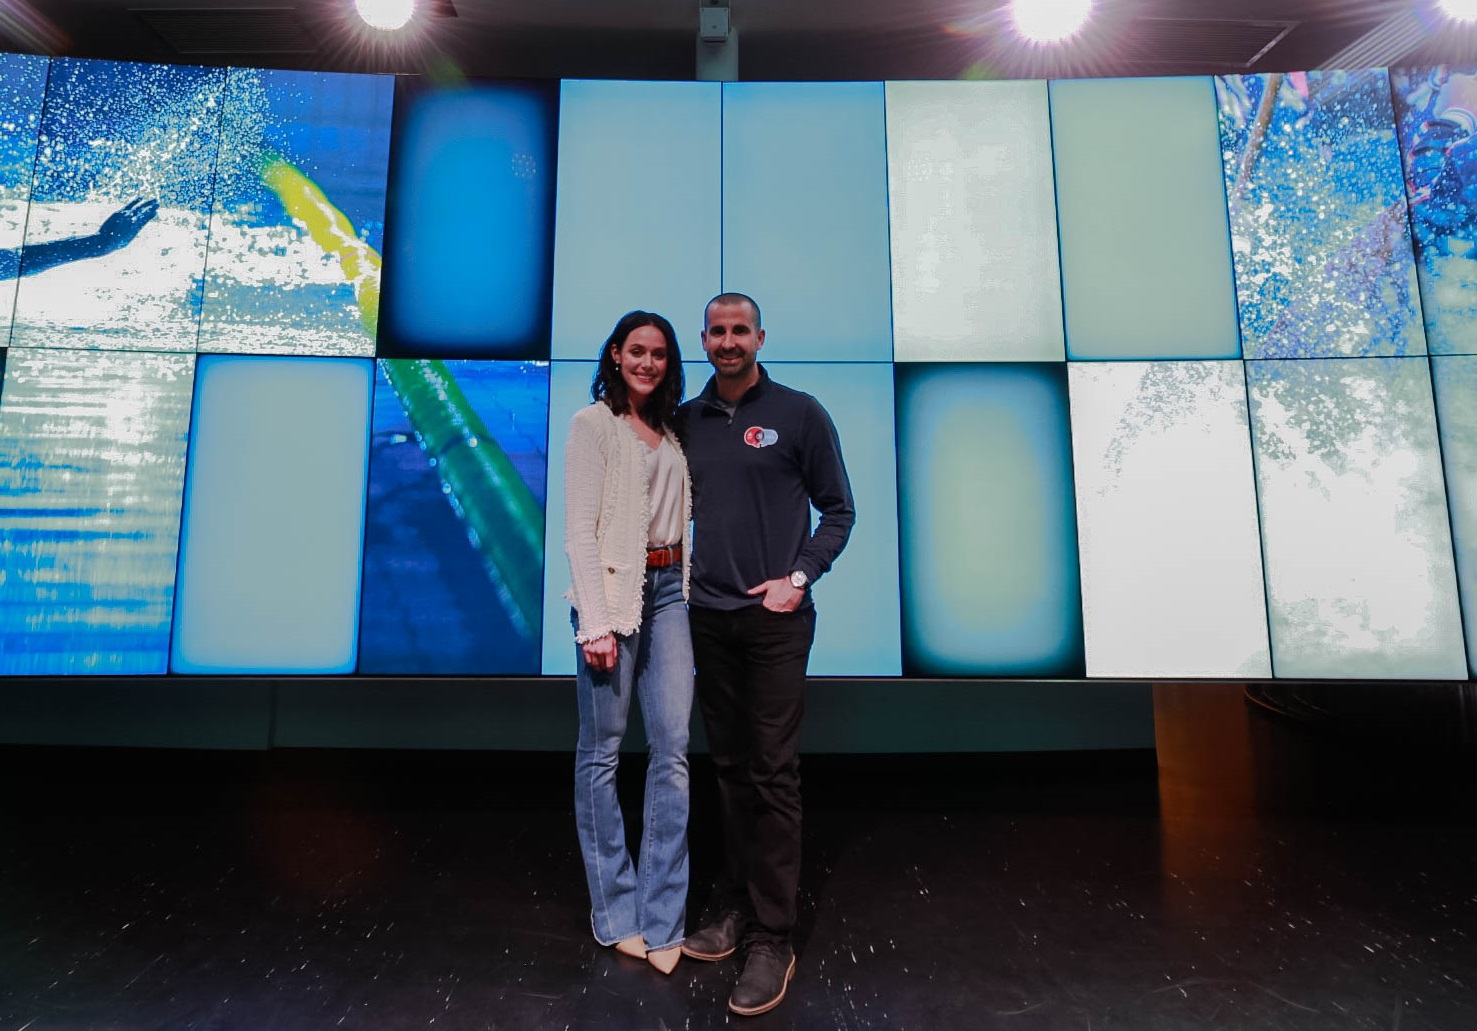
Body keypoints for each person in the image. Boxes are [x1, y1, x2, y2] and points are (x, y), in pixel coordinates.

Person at [677, 292, 855, 1016]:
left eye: (738, 330)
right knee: (726, 765)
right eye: (716, 331)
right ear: (704, 338)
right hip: (707, 619)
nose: (727, 341)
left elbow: (838, 509)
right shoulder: (685, 420)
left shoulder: (800, 412)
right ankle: (733, 900)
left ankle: (771, 935)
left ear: (758, 336)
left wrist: (798, 577)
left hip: (775, 621)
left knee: (771, 771)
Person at [564, 310, 694, 976]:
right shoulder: (594, 425)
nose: (647, 362)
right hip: (614, 596)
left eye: (659, 354)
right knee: (604, 752)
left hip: (670, 590)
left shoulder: (669, 432)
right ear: (615, 354)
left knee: (672, 751)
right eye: (636, 350)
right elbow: (580, 533)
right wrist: (595, 622)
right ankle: (615, 911)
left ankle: (663, 914)